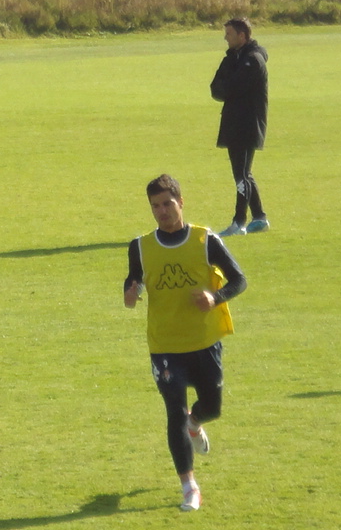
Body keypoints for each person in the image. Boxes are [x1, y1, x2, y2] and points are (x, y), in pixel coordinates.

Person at [123, 174, 248, 512]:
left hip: (204, 341)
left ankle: (197, 422)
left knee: (213, 407)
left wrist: (216, 296)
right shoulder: (140, 246)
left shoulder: (205, 240)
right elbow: (131, 285)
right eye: (155, 206)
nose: (161, 212)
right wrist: (131, 294)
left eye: (167, 204)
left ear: (181, 202)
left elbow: (240, 280)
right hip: (164, 345)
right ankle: (189, 486)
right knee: (174, 412)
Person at [209, 18, 270, 236]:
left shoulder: (252, 61)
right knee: (244, 173)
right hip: (234, 123)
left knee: (241, 174)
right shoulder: (232, 58)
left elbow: (232, 88)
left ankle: (239, 221)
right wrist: (228, 86)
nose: (225, 37)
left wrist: (228, 86)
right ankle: (260, 217)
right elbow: (215, 88)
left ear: (242, 36)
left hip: (247, 124)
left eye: (229, 34)